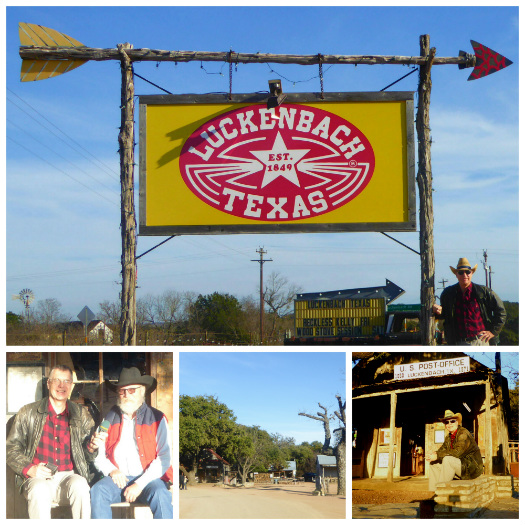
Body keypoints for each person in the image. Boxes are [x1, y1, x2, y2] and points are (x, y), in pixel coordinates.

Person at [6, 364, 96, 519]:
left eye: (67, 381)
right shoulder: (27, 412)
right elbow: (9, 448)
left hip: (69, 476)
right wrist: (29, 469)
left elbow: (88, 456)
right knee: (39, 489)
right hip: (38, 478)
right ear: (48, 384)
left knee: (81, 485)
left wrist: (91, 447)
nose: (62, 386)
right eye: (57, 381)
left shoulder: (81, 414)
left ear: (71, 386)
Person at [90, 367, 173, 519]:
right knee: (97, 491)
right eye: (122, 391)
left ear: (142, 391)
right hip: (117, 479)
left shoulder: (157, 418)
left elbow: (164, 457)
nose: (126, 395)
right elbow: (99, 455)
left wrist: (139, 484)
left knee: (161, 494)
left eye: (132, 390)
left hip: (148, 479)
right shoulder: (107, 419)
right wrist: (112, 470)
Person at [432, 257, 506, 345]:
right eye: (461, 272)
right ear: (456, 274)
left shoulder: (484, 292)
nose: (464, 275)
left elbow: (501, 311)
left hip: (481, 341)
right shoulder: (448, 294)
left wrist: (493, 332)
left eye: (467, 272)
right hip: (458, 342)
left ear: (472, 273)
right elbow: (445, 316)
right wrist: (436, 311)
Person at [425, 409, 483, 493]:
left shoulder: (463, 433)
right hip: (461, 466)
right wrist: (433, 454)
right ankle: (435, 494)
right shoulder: (449, 437)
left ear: (457, 422)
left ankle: (442, 492)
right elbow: (442, 450)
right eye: (446, 422)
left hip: (471, 468)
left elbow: (457, 452)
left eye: (452, 421)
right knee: (434, 463)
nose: (449, 424)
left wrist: (437, 456)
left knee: (448, 460)